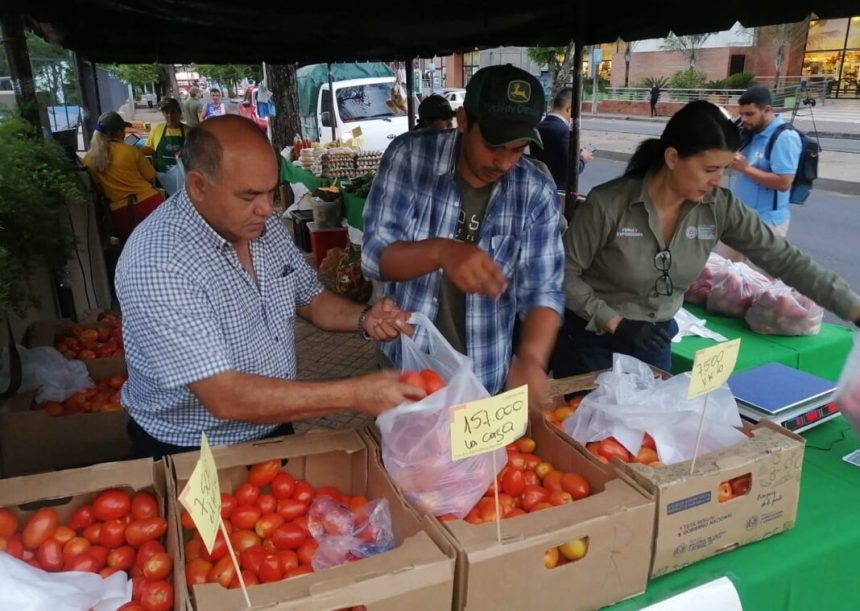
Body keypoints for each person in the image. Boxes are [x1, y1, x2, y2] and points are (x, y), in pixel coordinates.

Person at [115, 115, 423, 459]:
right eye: (249, 195)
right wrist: (354, 394)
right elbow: (224, 396)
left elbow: (311, 298)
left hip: (274, 424)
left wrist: (365, 318)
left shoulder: (261, 228)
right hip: (192, 450)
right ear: (198, 186)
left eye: (270, 191)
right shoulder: (158, 262)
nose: (265, 208)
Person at [551, 100, 860, 377]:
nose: (718, 180)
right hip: (591, 342)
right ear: (672, 158)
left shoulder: (719, 207)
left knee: (652, 431)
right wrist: (613, 321)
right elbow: (563, 273)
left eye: (724, 169)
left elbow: (785, 259)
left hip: (655, 341)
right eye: (709, 169)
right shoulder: (609, 204)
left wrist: (852, 308)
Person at [362, 65, 564, 408]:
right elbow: (375, 256)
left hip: (486, 376)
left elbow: (543, 289)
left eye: (517, 150)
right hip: (408, 369)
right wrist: (442, 252)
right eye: (493, 145)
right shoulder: (410, 158)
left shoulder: (535, 191)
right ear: (463, 121)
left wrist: (530, 359)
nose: (503, 162)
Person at [718, 85, 802, 262]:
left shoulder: (784, 137)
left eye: (749, 114)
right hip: (738, 218)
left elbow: (784, 183)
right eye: (741, 114)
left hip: (766, 223)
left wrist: (745, 168)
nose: (744, 119)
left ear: (767, 110)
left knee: (758, 283)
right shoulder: (750, 132)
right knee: (724, 277)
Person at [83, 111, 164, 240]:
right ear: (117, 132)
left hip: (120, 213)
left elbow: (98, 189)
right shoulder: (130, 150)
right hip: (149, 204)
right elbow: (151, 177)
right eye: (123, 129)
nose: (124, 133)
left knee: (133, 249)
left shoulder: (88, 159)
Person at [531, 87, 593, 190]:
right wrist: (582, 159)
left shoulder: (538, 127)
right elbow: (571, 170)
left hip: (537, 185)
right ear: (569, 109)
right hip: (557, 190)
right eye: (578, 111)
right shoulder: (564, 132)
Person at [141, 97, 186, 173]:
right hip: (162, 176)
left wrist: (187, 152)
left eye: (173, 112)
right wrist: (134, 151)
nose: (170, 115)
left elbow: (198, 153)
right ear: (163, 113)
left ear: (179, 112)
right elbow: (150, 149)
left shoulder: (189, 131)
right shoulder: (157, 129)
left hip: (184, 177)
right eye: (166, 112)